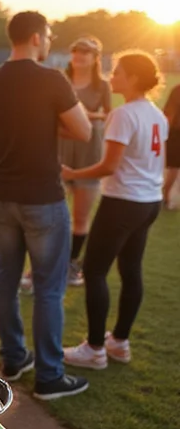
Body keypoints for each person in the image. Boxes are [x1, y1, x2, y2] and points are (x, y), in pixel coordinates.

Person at [0, 10, 92, 400]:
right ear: (35, 37)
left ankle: (14, 358)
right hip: (42, 196)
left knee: (6, 279)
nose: (49, 42)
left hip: (2, 193)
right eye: (48, 36)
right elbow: (83, 129)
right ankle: (49, 376)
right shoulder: (51, 78)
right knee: (48, 288)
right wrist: (47, 122)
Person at [63, 51, 168, 369]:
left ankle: (95, 349)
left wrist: (71, 173)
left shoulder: (124, 114)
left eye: (118, 71)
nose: (112, 75)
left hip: (123, 202)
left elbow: (109, 166)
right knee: (131, 270)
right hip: (148, 201)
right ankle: (119, 342)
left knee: (94, 271)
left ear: (134, 77)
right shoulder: (157, 114)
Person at [59, 37, 112, 286]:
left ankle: (71, 263)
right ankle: (44, 264)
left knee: (81, 215)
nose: (79, 56)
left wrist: (86, 114)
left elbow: (108, 114)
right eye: (76, 51)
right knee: (53, 214)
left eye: (86, 53)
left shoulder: (102, 85)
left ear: (95, 58)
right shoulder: (61, 80)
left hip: (90, 149)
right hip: (61, 147)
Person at [162, 82, 180, 208]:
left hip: (174, 131)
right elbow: (169, 113)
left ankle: (165, 196)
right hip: (176, 132)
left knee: (173, 167)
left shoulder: (177, 89)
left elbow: (168, 113)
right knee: (174, 166)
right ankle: (165, 195)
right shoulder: (177, 90)